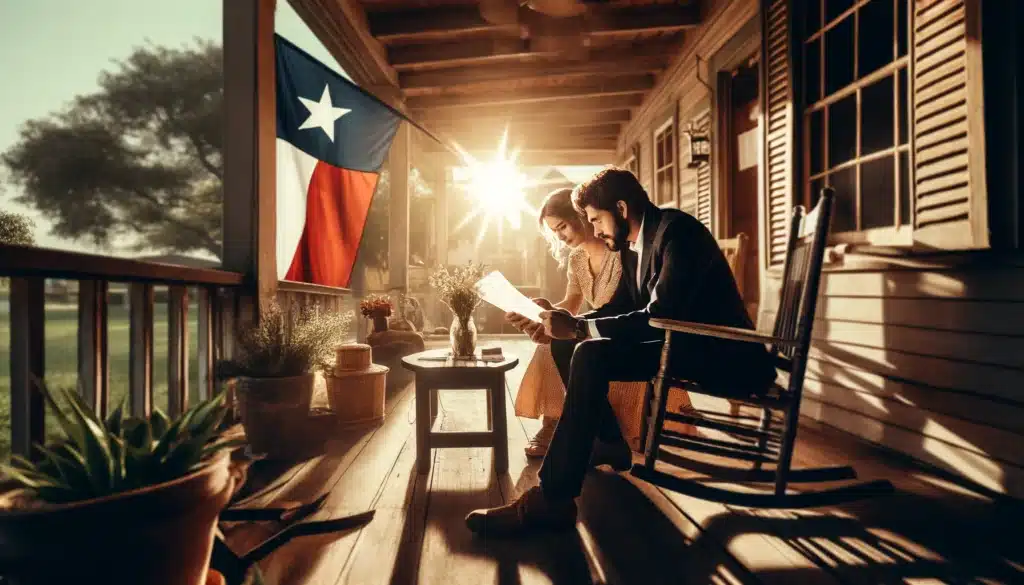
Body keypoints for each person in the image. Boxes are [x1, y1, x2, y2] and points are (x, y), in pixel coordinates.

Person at [465, 166, 777, 537]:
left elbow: (660, 315)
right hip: (678, 345)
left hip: (721, 355)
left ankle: (553, 497)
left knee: (590, 352)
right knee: (571, 346)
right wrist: (563, 323)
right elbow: (619, 308)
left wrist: (580, 328)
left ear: (622, 208)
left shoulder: (678, 233)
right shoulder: (636, 246)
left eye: (596, 219)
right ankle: (608, 443)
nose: (594, 230)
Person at [514, 188, 631, 457]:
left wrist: (571, 326)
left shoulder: (621, 251)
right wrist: (546, 311)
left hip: (617, 330)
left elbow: (626, 308)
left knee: (560, 345)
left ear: (582, 215)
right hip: (590, 327)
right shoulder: (577, 258)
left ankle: (568, 427)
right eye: (554, 231)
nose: (560, 236)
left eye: (562, 226)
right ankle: (553, 423)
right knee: (549, 344)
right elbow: (571, 302)